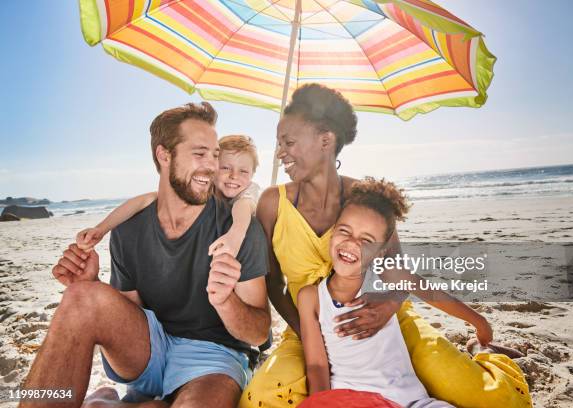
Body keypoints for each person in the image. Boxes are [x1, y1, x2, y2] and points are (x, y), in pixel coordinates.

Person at [240, 84, 532, 408]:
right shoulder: (271, 203)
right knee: (261, 398)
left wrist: (387, 308)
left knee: (492, 399)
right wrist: (310, 328)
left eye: (289, 142)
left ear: (325, 141)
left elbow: (398, 276)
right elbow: (272, 281)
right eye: (279, 143)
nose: (280, 152)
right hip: (305, 325)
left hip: (384, 323)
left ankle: (486, 356)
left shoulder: (366, 202)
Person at [19, 103, 270, 408]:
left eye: (215, 155)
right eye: (199, 154)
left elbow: (258, 333)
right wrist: (95, 285)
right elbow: (131, 311)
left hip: (214, 358)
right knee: (81, 296)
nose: (212, 166)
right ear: (164, 155)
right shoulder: (129, 229)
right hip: (151, 348)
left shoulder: (238, 229)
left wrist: (226, 301)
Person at [298, 177, 453, 407]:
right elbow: (317, 366)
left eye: (366, 240)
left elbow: (430, 292)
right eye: (345, 231)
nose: (352, 243)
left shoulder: (380, 280)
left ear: (380, 252)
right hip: (351, 399)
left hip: (410, 401)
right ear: (332, 232)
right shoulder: (311, 297)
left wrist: (480, 323)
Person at [76, 134, 261, 258]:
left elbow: (243, 207)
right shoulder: (204, 187)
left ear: (252, 174)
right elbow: (147, 199)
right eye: (225, 168)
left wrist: (236, 235)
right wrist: (101, 228)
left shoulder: (248, 191)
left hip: (240, 250)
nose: (234, 176)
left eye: (244, 171)